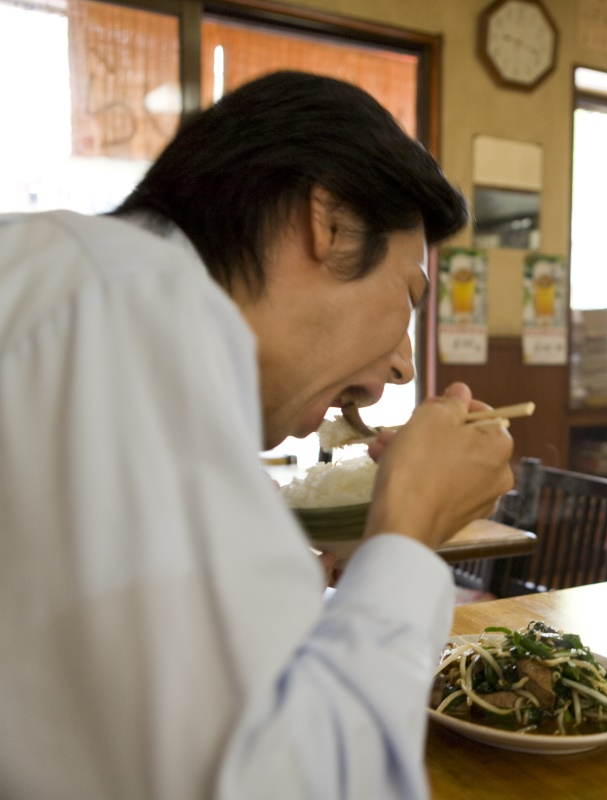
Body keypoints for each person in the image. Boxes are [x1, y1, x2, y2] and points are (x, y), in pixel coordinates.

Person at [0, 71, 514, 799]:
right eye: (408, 295)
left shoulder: (77, 278)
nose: (402, 366)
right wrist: (407, 532)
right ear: (329, 221)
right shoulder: (128, 308)